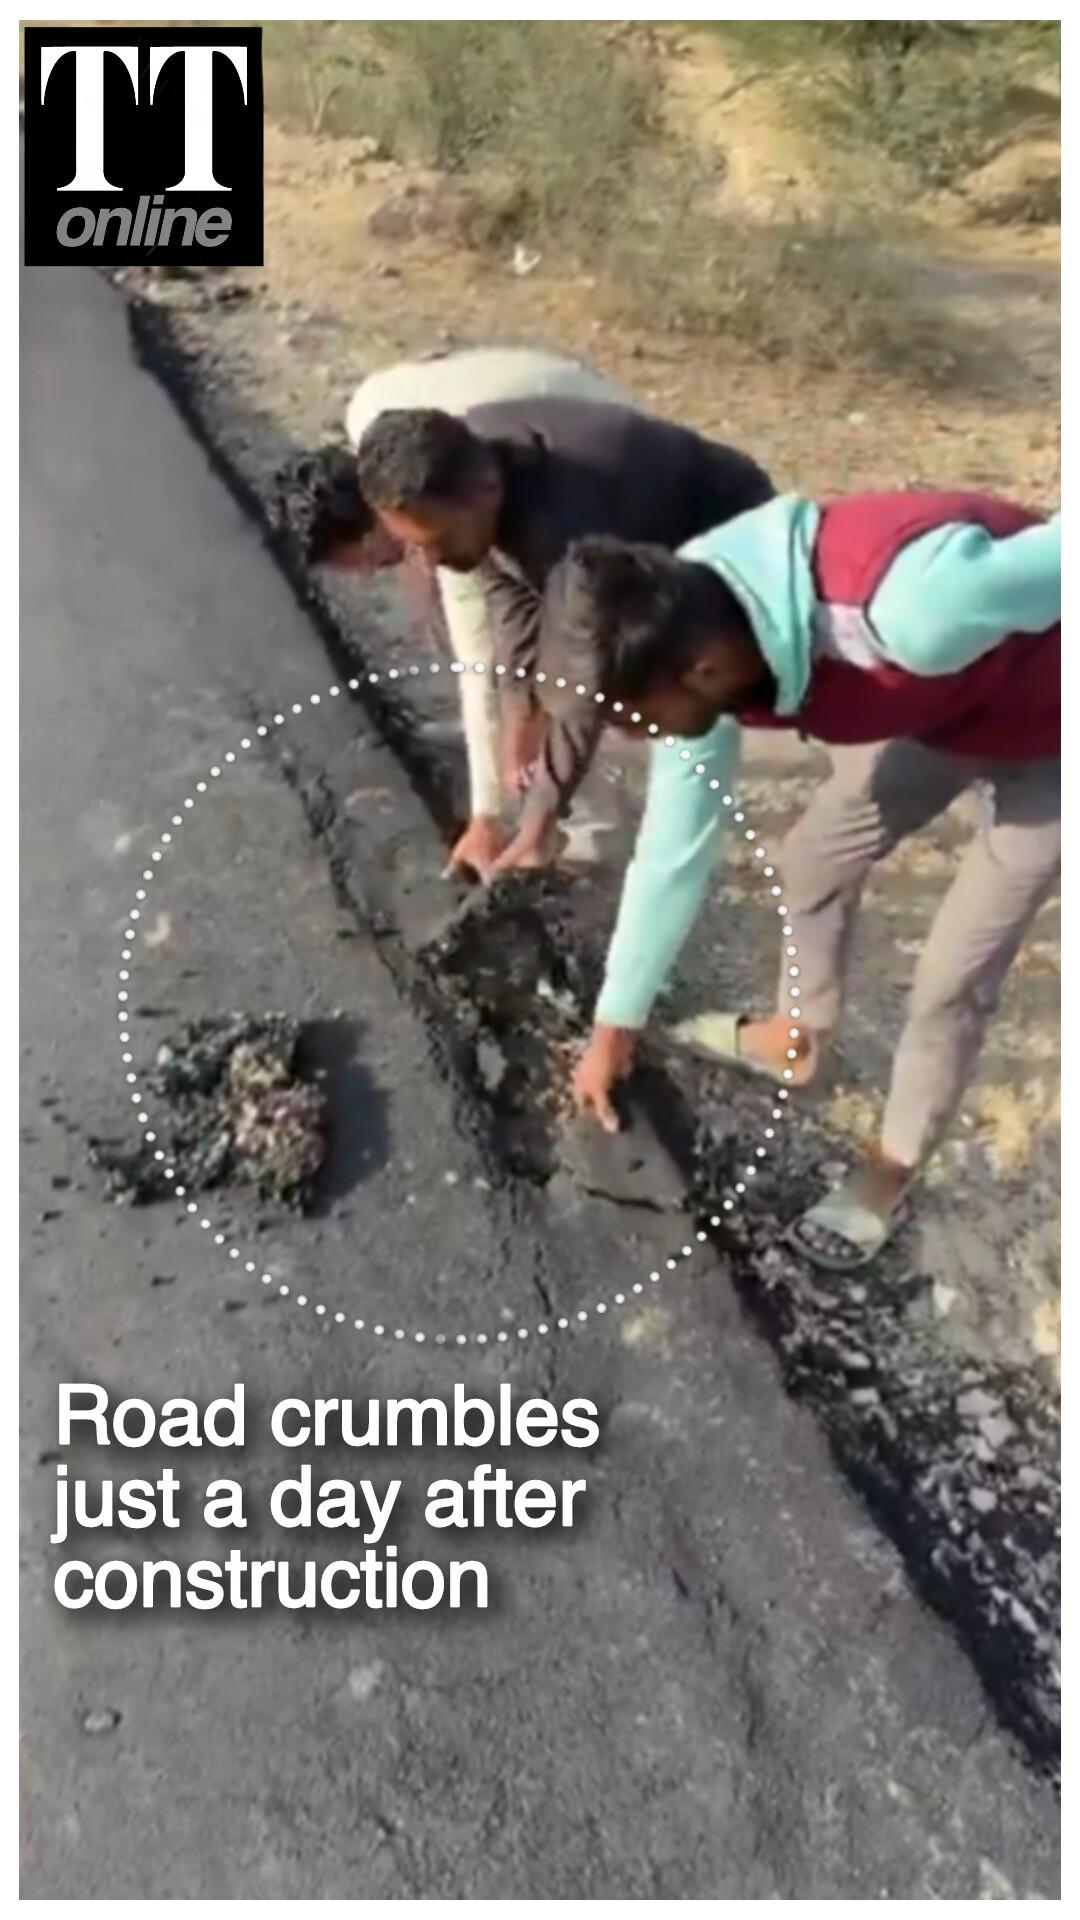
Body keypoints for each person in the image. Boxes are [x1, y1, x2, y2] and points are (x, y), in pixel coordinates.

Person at [534, 489, 1060, 1272]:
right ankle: (799, 1040)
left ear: (703, 670)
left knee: (953, 975)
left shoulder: (920, 607)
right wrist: (615, 1027)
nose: (632, 740)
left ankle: (893, 1166)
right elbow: (674, 848)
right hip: (956, 710)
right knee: (814, 858)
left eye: (632, 722)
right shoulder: (686, 625)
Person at [353, 397, 775, 875]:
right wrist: (520, 723)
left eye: (439, 543)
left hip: (727, 543)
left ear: (486, 492)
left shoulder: (565, 528)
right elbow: (510, 599)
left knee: (681, 723)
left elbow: (587, 678)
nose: (430, 563)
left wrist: (539, 822)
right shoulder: (471, 470)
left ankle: (671, 863)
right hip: (640, 549)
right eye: (414, 546)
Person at [275, 347, 629, 879]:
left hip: (592, 456)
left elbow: (483, 659)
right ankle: (522, 769)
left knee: (566, 660)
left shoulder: (445, 506)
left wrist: (488, 813)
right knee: (448, 609)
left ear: (376, 519)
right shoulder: (374, 429)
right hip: (526, 420)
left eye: (368, 558)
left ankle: (589, 829)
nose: (371, 574)